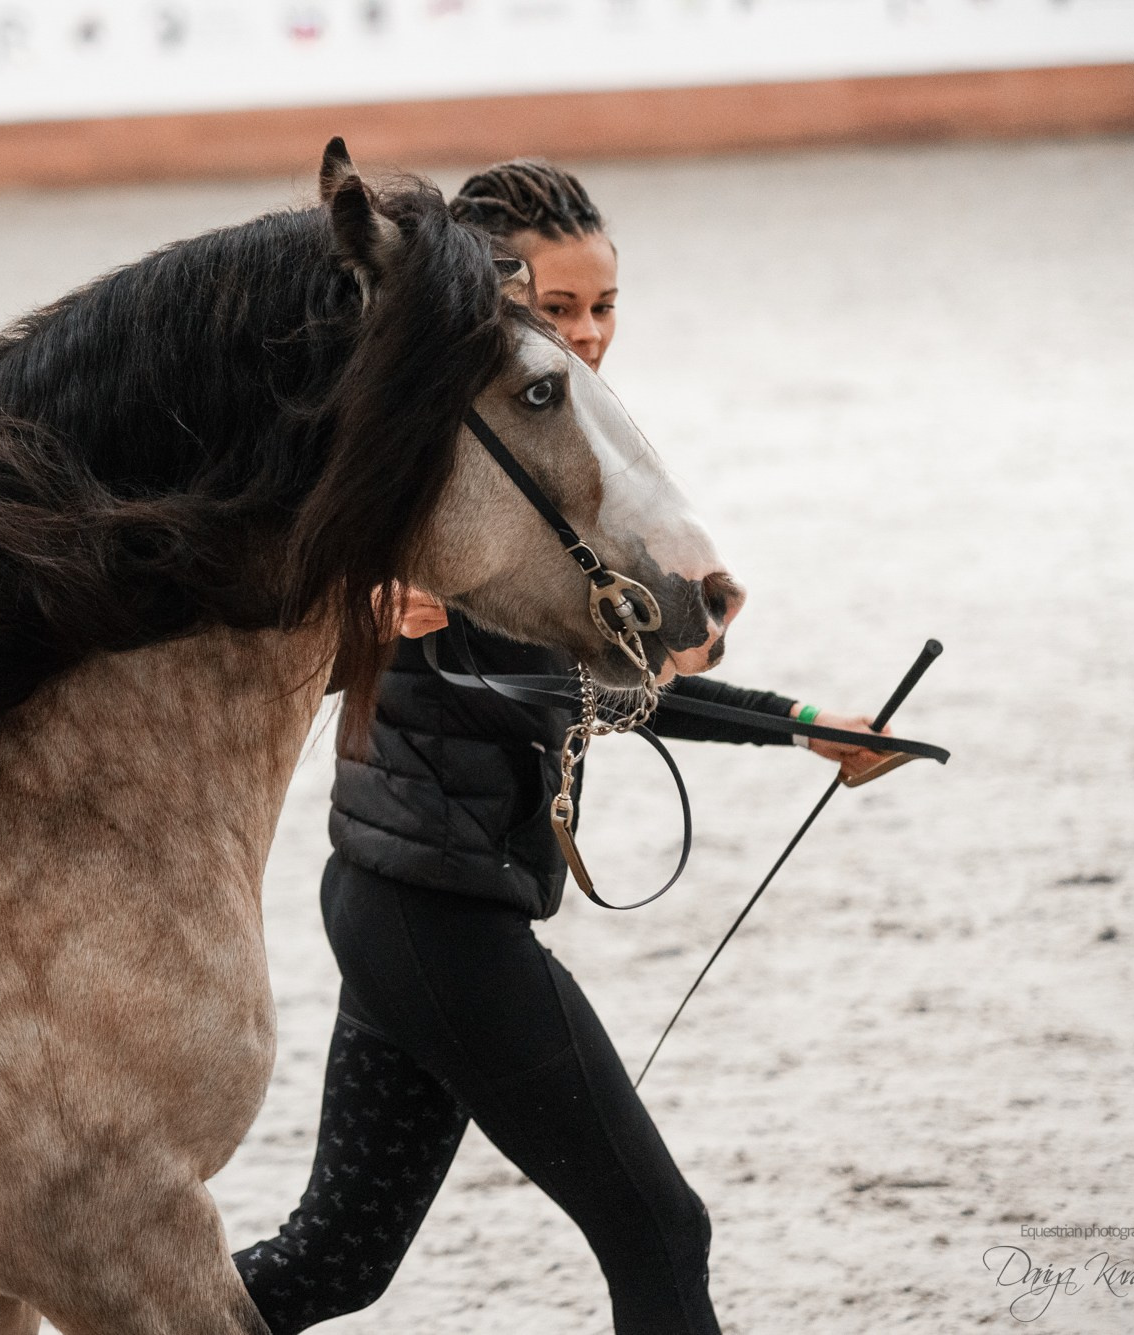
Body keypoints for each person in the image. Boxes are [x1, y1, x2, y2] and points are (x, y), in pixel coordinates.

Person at [232, 160, 889, 1334]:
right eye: (555, 310)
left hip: (408, 904)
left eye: (601, 308)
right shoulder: (460, 482)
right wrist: (353, 614)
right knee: (658, 1230)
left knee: (333, 1262)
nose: (584, 336)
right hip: (434, 919)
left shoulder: (538, 463)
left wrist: (796, 724)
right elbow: (557, 669)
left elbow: (587, 672)